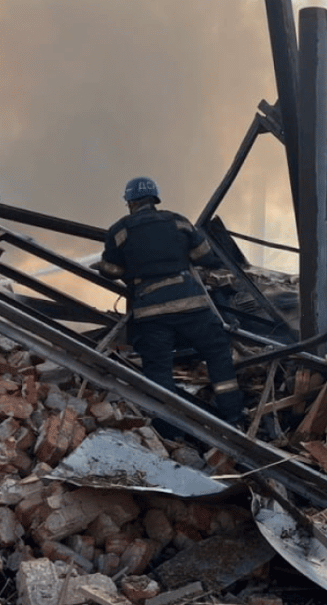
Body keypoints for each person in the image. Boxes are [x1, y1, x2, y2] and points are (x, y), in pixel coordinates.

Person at [94, 176, 244, 426]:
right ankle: (234, 417)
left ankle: (170, 429)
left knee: (158, 369)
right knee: (218, 354)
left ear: (130, 203)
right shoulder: (178, 222)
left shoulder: (119, 230)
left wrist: (129, 269)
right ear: (155, 199)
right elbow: (204, 256)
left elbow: (110, 269)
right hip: (190, 305)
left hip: (150, 313)